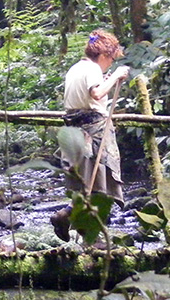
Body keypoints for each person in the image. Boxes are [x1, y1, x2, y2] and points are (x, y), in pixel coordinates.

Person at [51, 29, 129, 242]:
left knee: (86, 183)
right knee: (98, 184)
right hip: (93, 132)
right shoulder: (93, 69)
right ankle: (77, 224)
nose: (110, 64)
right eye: (111, 60)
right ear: (104, 55)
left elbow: (83, 96)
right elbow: (96, 93)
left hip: (74, 132)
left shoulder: (76, 68)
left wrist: (106, 78)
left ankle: (85, 232)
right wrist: (115, 76)